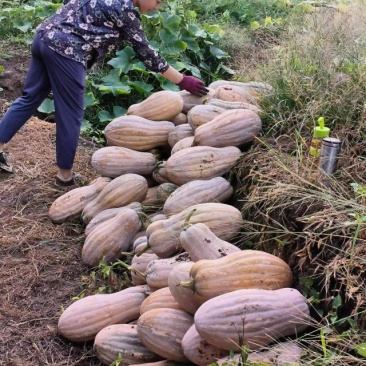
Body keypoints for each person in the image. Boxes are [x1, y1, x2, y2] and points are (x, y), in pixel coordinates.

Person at [0, 0, 209, 185]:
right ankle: (65, 176)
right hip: (67, 51)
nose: (157, 7)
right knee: (70, 114)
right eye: (158, 1)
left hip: (44, 36)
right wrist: (183, 80)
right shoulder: (126, 11)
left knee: (29, 98)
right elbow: (148, 55)